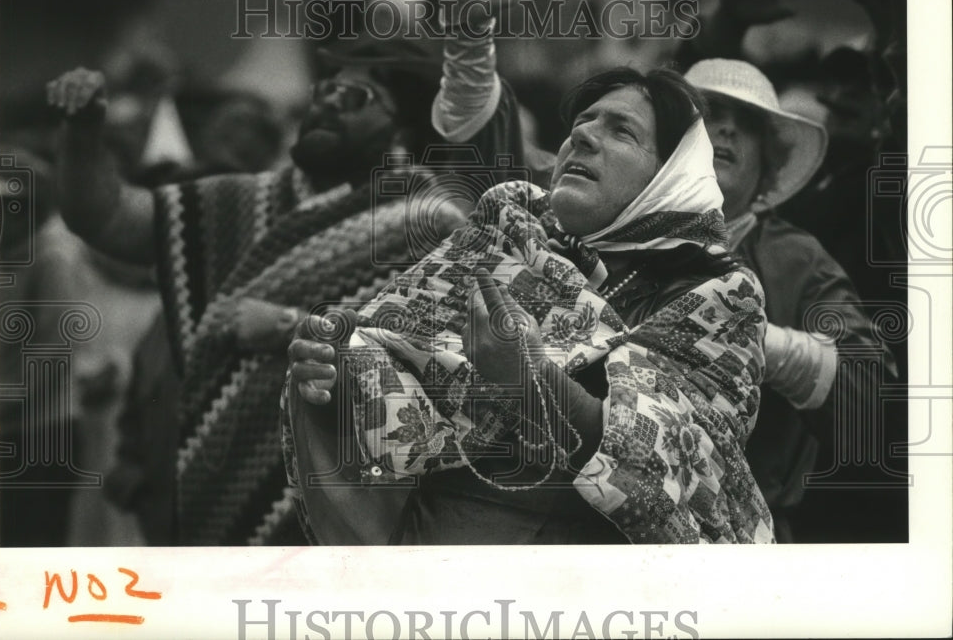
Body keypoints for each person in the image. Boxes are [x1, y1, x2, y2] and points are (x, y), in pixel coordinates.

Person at [48, 32, 530, 545]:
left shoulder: (429, 222)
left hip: (346, 493)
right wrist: (82, 134)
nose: (326, 104)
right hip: (215, 482)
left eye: (353, 97)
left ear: (401, 124)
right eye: (322, 92)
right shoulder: (241, 201)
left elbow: (447, 356)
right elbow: (108, 219)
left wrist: (285, 325)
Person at [284, 64, 775, 545]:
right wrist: (338, 363)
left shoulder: (719, 299)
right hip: (434, 570)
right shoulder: (506, 234)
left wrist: (530, 382)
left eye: (622, 130)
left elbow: (684, 475)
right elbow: (389, 372)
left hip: (599, 597)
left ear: (670, 176)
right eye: (581, 123)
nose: (581, 138)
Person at [683, 57, 899, 541]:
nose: (728, 129)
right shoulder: (605, 225)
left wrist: (765, 344)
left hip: (742, 538)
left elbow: (869, 410)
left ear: (770, 164)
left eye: (750, 125)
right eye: (709, 113)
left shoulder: (799, 260)